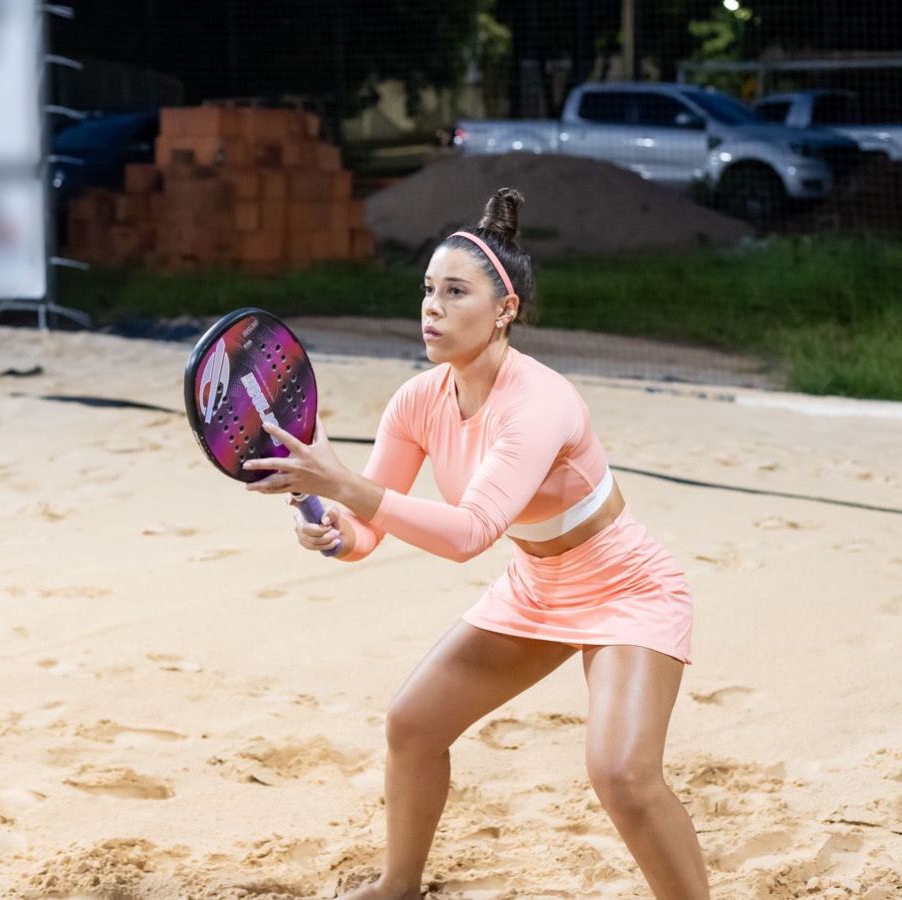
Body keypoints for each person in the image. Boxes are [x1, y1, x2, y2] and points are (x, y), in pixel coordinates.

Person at [245, 188, 709, 899]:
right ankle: (397, 886)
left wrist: (341, 483)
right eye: (427, 290)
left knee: (621, 775)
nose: (431, 307)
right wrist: (326, 525)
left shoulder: (539, 401)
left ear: (504, 310)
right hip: (537, 585)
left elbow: (468, 535)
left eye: (455, 291)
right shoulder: (417, 401)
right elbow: (365, 532)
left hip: (625, 586)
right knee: (412, 725)